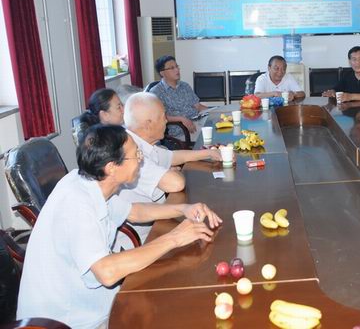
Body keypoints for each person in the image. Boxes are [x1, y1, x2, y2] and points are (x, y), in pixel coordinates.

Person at [17, 125, 222, 328]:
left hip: (95, 305)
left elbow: (135, 211)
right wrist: (174, 238)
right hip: (69, 322)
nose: (141, 159)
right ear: (112, 167)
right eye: (136, 155)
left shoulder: (89, 182)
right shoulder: (76, 204)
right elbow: (107, 272)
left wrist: (183, 209)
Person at [118, 92, 223, 245]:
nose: (166, 121)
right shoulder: (129, 152)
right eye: (163, 117)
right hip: (145, 236)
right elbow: (176, 183)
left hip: (159, 217)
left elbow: (172, 156)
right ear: (148, 124)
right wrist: (169, 171)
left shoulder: (139, 141)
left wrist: (209, 153)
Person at [150, 55, 208, 139]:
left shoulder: (185, 86)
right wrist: (181, 119)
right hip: (182, 131)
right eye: (172, 68)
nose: (177, 70)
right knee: (213, 135)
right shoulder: (156, 92)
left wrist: (215, 112)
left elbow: (198, 106)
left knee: (220, 126)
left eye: (177, 66)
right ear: (162, 73)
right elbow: (159, 117)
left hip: (198, 123)